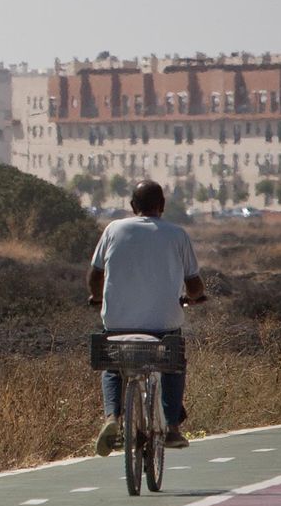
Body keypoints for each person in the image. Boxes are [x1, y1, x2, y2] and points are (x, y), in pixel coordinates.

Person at [87, 179, 206, 454]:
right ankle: (173, 426)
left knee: (113, 365)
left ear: (131, 206)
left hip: (118, 324)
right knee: (173, 363)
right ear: (162, 206)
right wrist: (196, 297)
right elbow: (194, 283)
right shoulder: (177, 234)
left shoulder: (114, 229)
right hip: (163, 327)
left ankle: (111, 418)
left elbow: (95, 274)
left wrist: (96, 297)